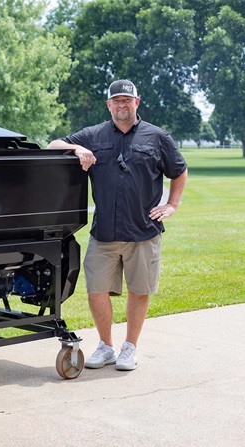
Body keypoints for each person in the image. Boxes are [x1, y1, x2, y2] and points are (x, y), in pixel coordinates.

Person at [47, 79, 188, 371]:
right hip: (105, 232)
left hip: (144, 231)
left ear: (137, 102)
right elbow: (53, 145)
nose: (122, 105)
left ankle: (130, 347)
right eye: (116, 100)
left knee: (139, 291)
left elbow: (179, 170)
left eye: (127, 100)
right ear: (109, 104)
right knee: (96, 288)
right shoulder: (94, 134)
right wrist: (76, 149)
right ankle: (106, 346)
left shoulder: (157, 137)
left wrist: (172, 204)